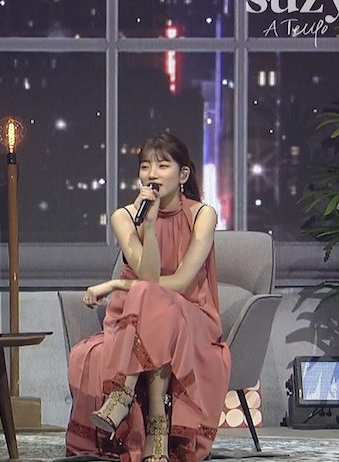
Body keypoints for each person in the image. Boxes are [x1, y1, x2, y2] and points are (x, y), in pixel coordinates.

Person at [65, 133, 231, 462]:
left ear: (183, 174)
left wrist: (115, 284)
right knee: (146, 299)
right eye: (145, 166)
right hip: (133, 315)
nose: (152, 174)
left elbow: (180, 282)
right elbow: (148, 276)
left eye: (162, 166)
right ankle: (157, 429)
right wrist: (150, 226)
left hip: (190, 314)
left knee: (149, 297)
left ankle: (122, 396)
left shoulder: (202, 215)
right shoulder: (125, 217)